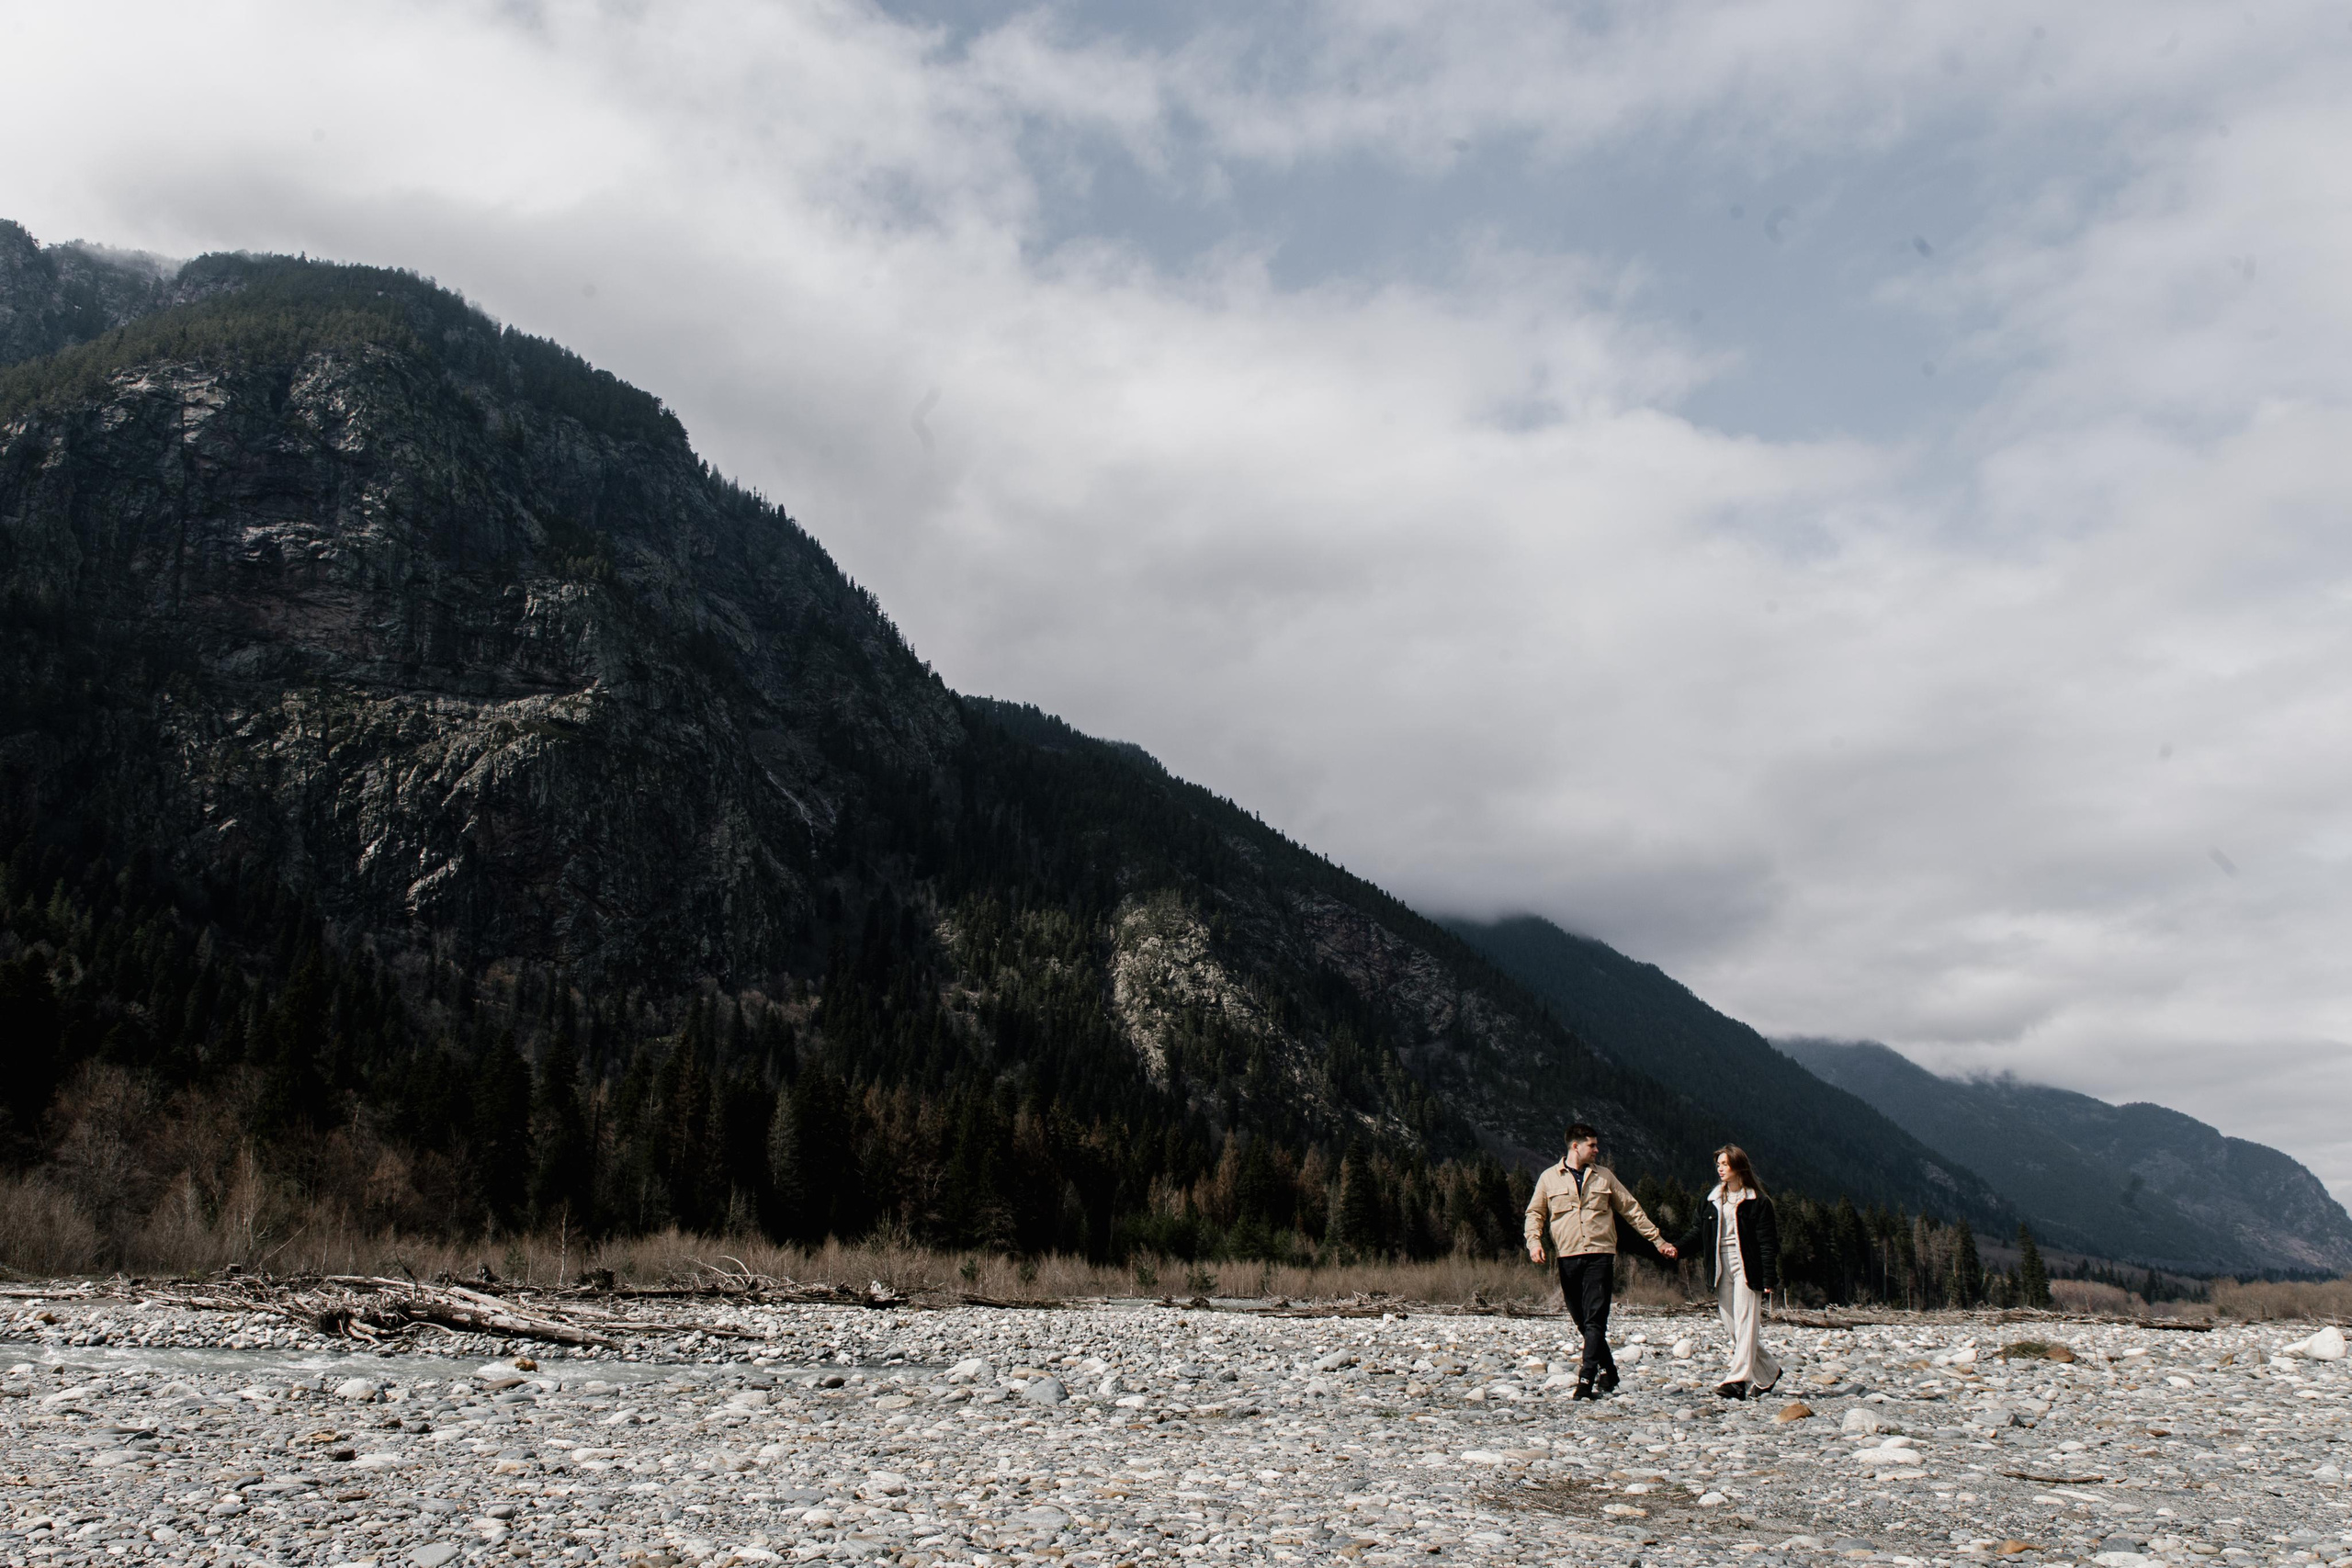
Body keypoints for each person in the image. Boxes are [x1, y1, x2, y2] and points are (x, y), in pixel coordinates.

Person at [1524, 1122, 1678, 1399]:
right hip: (1568, 1255)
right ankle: (1610, 1370)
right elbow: (1535, 1213)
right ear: (1576, 1146)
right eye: (1592, 1145)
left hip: (1600, 1254)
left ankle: (1586, 1378)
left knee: (1596, 1319)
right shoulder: (1549, 1178)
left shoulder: (1605, 1177)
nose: (1597, 1150)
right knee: (1581, 1320)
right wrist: (1534, 1242)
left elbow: (1631, 1209)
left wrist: (1658, 1241)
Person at [1674, 1144, 1781, 1400]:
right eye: (1718, 1164)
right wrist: (1676, 1249)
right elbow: (1698, 1233)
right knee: (1734, 1327)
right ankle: (1768, 1372)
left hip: (1747, 1265)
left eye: (1724, 1164)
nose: (1720, 1169)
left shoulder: (1758, 1201)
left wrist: (1769, 1277)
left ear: (1738, 1166)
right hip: (1720, 1265)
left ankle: (1736, 1381)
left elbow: (1768, 1242)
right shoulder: (1711, 1199)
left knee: (1746, 1324)